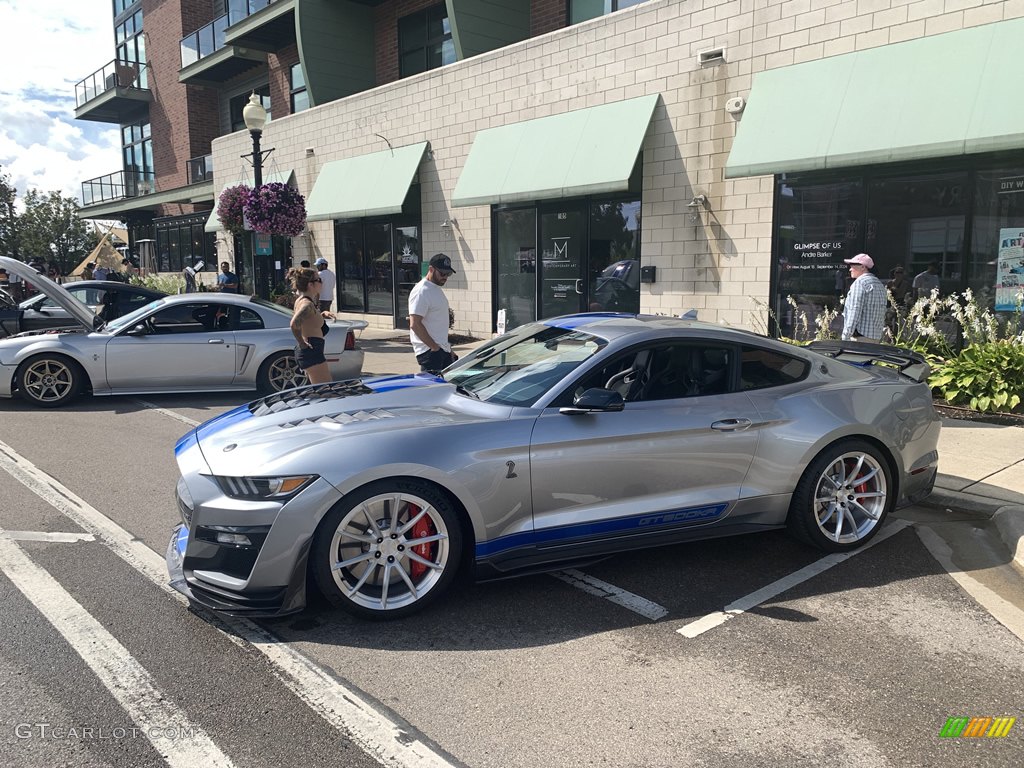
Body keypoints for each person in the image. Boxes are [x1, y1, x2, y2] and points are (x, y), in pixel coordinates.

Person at [409, 253, 457, 373]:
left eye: (448, 274)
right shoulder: (421, 291)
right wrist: (434, 348)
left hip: (441, 350)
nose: (445, 277)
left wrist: (447, 349)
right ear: (431, 269)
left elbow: (437, 323)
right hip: (429, 352)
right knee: (433, 389)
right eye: (442, 273)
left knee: (449, 388)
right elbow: (415, 324)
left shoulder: (435, 289)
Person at [288, 267, 335, 385]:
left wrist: (322, 314)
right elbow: (294, 324)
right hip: (311, 350)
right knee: (326, 390)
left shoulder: (303, 301)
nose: (321, 282)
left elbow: (308, 321)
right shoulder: (307, 304)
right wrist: (302, 343)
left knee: (320, 390)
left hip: (312, 349)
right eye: (319, 280)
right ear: (310, 285)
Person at [841, 253, 886, 343]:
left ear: (862, 267)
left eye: (852, 266)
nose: (850, 269)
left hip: (860, 338)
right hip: (875, 337)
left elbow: (855, 311)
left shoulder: (860, 283)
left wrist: (845, 336)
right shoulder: (879, 284)